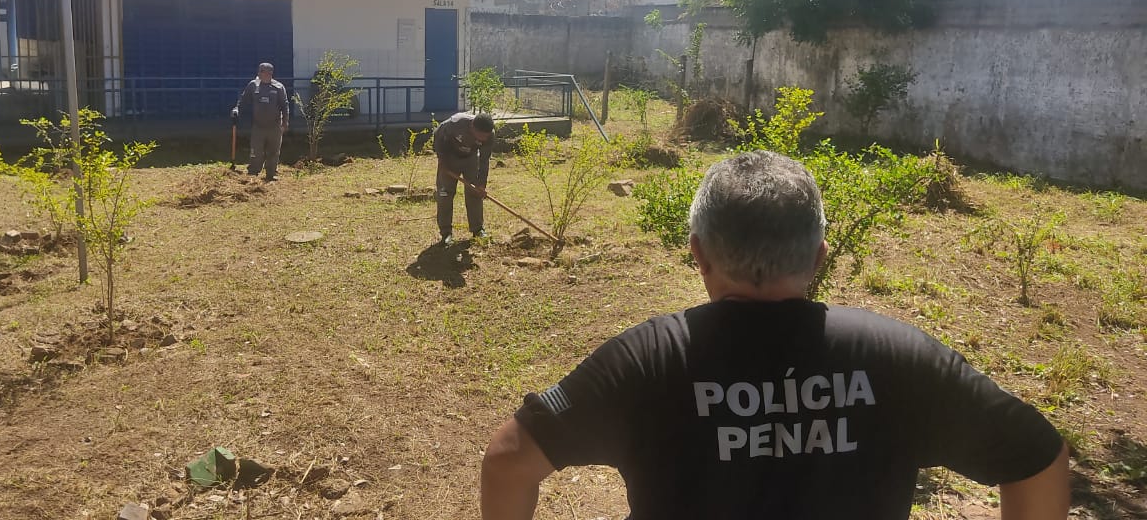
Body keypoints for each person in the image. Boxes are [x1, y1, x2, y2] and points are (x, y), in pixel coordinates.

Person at [480, 150, 1069, 520]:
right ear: (818, 256)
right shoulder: (897, 355)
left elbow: (509, 460)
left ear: (699, 255)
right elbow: (1040, 459)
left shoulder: (646, 360)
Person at [433, 111, 495, 246]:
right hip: (449, 159)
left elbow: (484, 160)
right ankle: (446, 233)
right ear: (472, 126)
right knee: (445, 194)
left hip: (471, 160)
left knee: (475, 194)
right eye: (480, 136)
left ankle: (477, 229)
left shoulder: (490, 135)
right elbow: (438, 136)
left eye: (486, 136)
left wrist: (481, 184)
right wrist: (442, 161)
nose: (483, 139)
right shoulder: (455, 123)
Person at [232, 62, 289, 181]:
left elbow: (284, 105)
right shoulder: (253, 85)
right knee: (256, 151)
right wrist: (237, 109)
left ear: (270, 73)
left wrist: (285, 122)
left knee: (273, 151)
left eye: (262, 71)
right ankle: (253, 173)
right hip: (258, 126)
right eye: (259, 70)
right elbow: (243, 100)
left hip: (274, 126)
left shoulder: (278, 87)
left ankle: (271, 173)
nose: (259, 73)